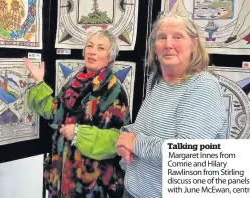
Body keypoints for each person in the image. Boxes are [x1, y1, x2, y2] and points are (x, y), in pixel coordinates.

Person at [116, 12, 228, 198]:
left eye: (178, 36)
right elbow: (145, 128)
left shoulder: (202, 86)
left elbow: (187, 155)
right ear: (154, 48)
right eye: (162, 37)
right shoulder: (160, 82)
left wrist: (135, 143)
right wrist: (124, 139)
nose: (168, 44)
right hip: (134, 190)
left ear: (193, 43)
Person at [24, 30, 130, 197]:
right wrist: (39, 82)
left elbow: (118, 139)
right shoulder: (74, 81)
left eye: (101, 48)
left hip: (92, 184)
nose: (92, 51)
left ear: (110, 57)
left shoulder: (114, 90)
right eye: (89, 46)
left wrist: (78, 134)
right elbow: (56, 115)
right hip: (62, 177)